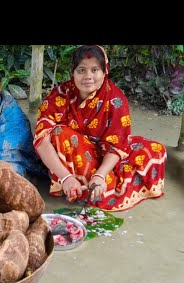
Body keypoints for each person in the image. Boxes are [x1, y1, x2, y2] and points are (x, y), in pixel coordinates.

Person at [33, 45, 167, 211]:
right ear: (73, 72)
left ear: (104, 72)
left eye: (95, 70)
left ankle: (94, 181)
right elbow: (41, 140)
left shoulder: (116, 99)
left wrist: (100, 174)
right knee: (59, 133)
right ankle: (73, 183)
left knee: (155, 150)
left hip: (107, 155)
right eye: (81, 70)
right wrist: (66, 177)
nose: (88, 77)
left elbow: (118, 144)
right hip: (75, 158)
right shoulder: (59, 95)